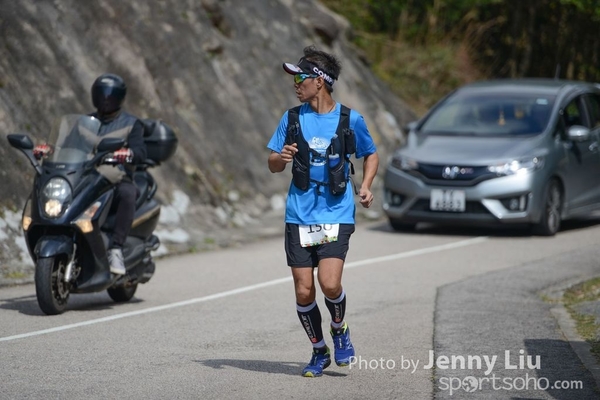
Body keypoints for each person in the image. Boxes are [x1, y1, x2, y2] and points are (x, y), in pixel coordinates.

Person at [267, 45, 379, 377]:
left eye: (299, 78)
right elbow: (272, 163)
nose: (295, 84)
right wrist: (281, 158)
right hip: (299, 214)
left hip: (336, 212)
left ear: (319, 81)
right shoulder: (291, 118)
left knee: (329, 284)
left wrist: (367, 185)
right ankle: (319, 351)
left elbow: (370, 154)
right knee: (304, 290)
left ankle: (340, 329)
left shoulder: (349, 119)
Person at [33, 73, 147, 275]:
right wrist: (48, 150)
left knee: (128, 194)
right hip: (87, 175)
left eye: (111, 95)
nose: (106, 99)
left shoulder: (132, 123)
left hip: (116, 178)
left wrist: (127, 153)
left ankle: (116, 248)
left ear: (119, 98)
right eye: (102, 94)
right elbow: (65, 146)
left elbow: (140, 152)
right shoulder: (84, 122)